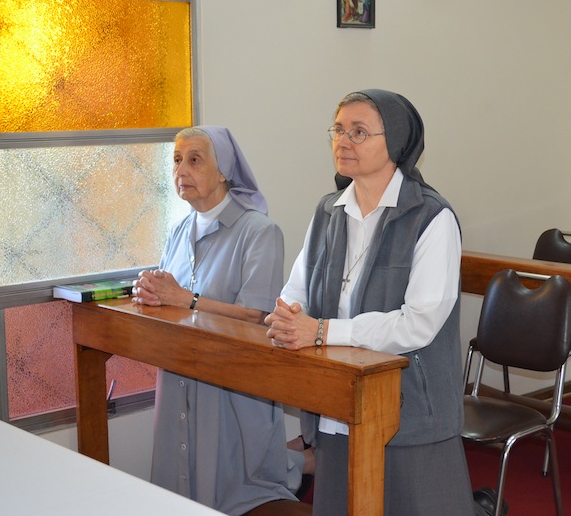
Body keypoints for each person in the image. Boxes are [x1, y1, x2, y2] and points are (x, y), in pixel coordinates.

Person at [264, 90, 498, 515]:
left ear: (398, 142)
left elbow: (419, 323)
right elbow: (296, 289)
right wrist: (288, 317)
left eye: (359, 132)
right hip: (338, 397)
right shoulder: (328, 212)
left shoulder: (431, 217)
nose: (343, 141)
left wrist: (321, 331)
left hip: (409, 407)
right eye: (338, 130)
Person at [131, 126, 303, 514]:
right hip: (180, 373)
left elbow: (257, 316)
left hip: (232, 384)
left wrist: (186, 299)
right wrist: (150, 293)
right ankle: (300, 460)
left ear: (224, 170)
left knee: (231, 488)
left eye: (194, 160)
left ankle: (296, 464)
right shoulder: (178, 231)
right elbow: (171, 299)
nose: (181, 170)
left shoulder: (260, 232)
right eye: (177, 160)